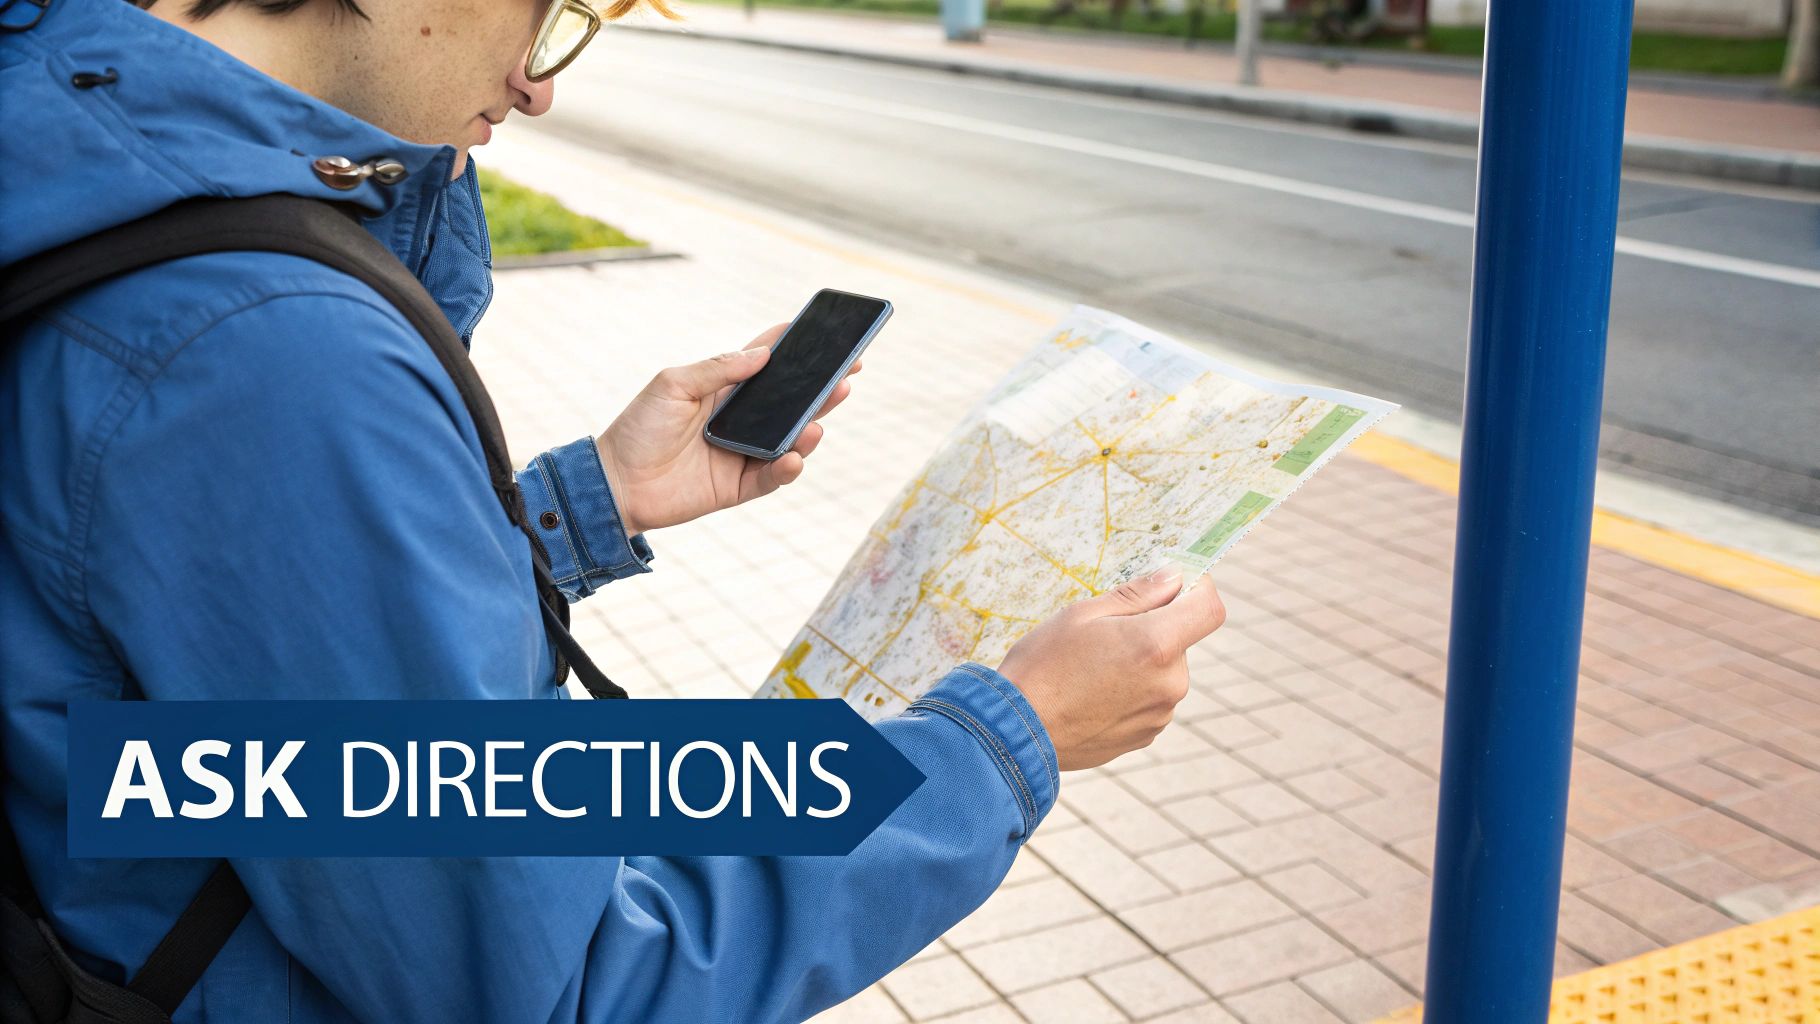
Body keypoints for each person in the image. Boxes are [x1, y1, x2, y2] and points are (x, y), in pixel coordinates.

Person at [0, 0, 1228, 1020]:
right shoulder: (262, 348)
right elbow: (558, 980)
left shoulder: (78, 145)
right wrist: (1000, 744)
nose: (538, 85)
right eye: (555, 10)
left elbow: (207, 738)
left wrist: (580, 508)